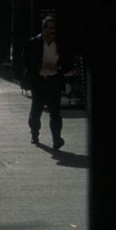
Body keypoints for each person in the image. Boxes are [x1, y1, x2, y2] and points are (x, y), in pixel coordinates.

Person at [22, 16, 73, 150]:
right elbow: (26, 60)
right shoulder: (34, 43)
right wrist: (41, 65)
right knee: (36, 111)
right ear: (43, 28)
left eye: (54, 28)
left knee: (55, 113)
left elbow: (69, 62)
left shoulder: (60, 44)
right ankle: (34, 133)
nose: (52, 31)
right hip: (39, 81)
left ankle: (57, 139)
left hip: (54, 81)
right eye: (49, 28)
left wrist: (59, 66)